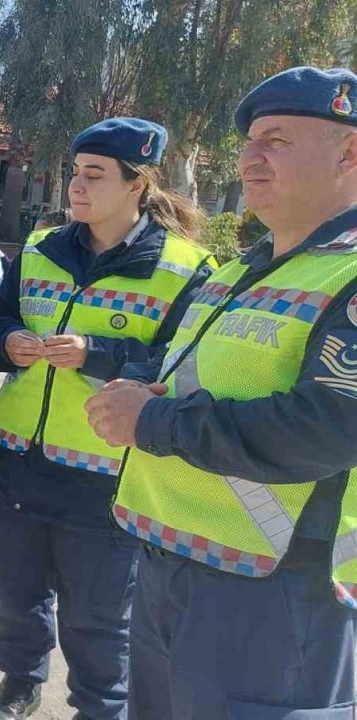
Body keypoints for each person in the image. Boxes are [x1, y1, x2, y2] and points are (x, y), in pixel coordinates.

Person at [86, 66, 357, 719]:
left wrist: (154, 421)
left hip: (276, 589)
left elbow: (331, 428)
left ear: (349, 153)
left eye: (277, 140)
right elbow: (197, 374)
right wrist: (143, 390)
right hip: (170, 560)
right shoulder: (239, 270)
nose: (250, 158)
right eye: (249, 142)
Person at [0, 118, 215, 720]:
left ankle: (101, 706)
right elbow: (0, 321)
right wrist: (9, 342)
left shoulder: (185, 268)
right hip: (15, 456)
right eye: (75, 172)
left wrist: (97, 356)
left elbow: (184, 365)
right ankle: (20, 682)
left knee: (99, 614)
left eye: (95, 175)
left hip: (105, 471)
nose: (76, 186)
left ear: (137, 184)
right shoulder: (40, 249)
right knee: (15, 591)